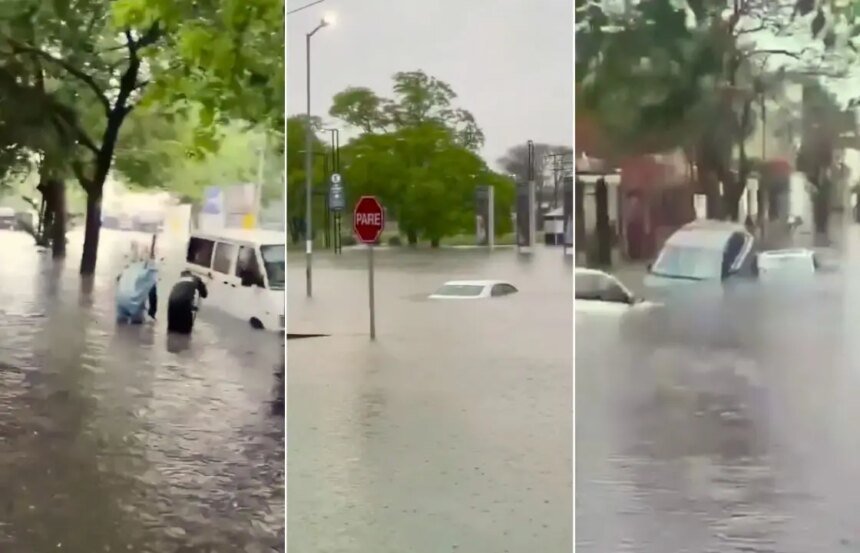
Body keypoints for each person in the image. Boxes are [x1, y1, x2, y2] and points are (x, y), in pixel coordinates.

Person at [115, 246, 159, 324]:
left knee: (120, 324)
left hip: (120, 303)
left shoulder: (128, 268)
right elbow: (153, 298)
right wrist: (152, 315)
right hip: (134, 304)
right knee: (138, 325)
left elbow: (118, 280)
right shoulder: (149, 274)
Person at [167, 270, 209, 334]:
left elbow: (180, 295)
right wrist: (202, 286)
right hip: (184, 302)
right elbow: (204, 295)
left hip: (171, 302)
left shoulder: (179, 281)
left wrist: (192, 307)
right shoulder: (196, 279)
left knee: (172, 329)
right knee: (186, 331)